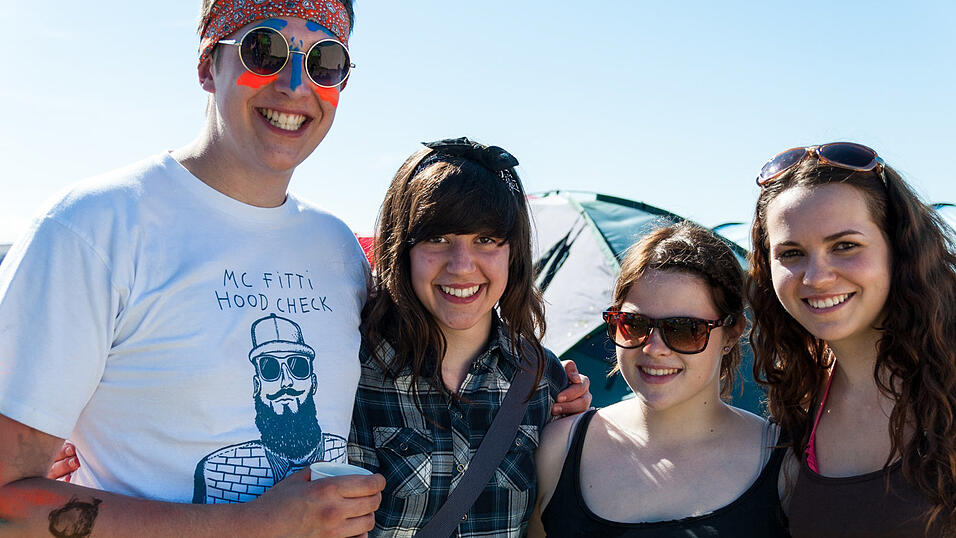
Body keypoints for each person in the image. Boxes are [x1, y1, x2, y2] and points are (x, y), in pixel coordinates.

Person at [0, 1, 386, 536]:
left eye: (324, 63)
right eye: (264, 50)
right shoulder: (94, 229)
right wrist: (252, 525)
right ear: (208, 66)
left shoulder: (339, 250)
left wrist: (542, 399)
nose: (296, 86)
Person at [348, 137, 585, 537]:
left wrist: (577, 431)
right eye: (437, 239)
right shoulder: (350, 369)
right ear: (401, 248)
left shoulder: (546, 383)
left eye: (486, 240)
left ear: (514, 253)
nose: (461, 266)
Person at [530, 221, 791, 537]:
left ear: (731, 334)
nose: (654, 348)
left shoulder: (783, 462)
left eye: (684, 329)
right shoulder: (557, 448)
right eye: (634, 324)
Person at [748, 142, 956, 536]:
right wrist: (591, 422)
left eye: (845, 246)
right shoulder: (798, 401)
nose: (816, 277)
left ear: (898, 247)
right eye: (791, 253)